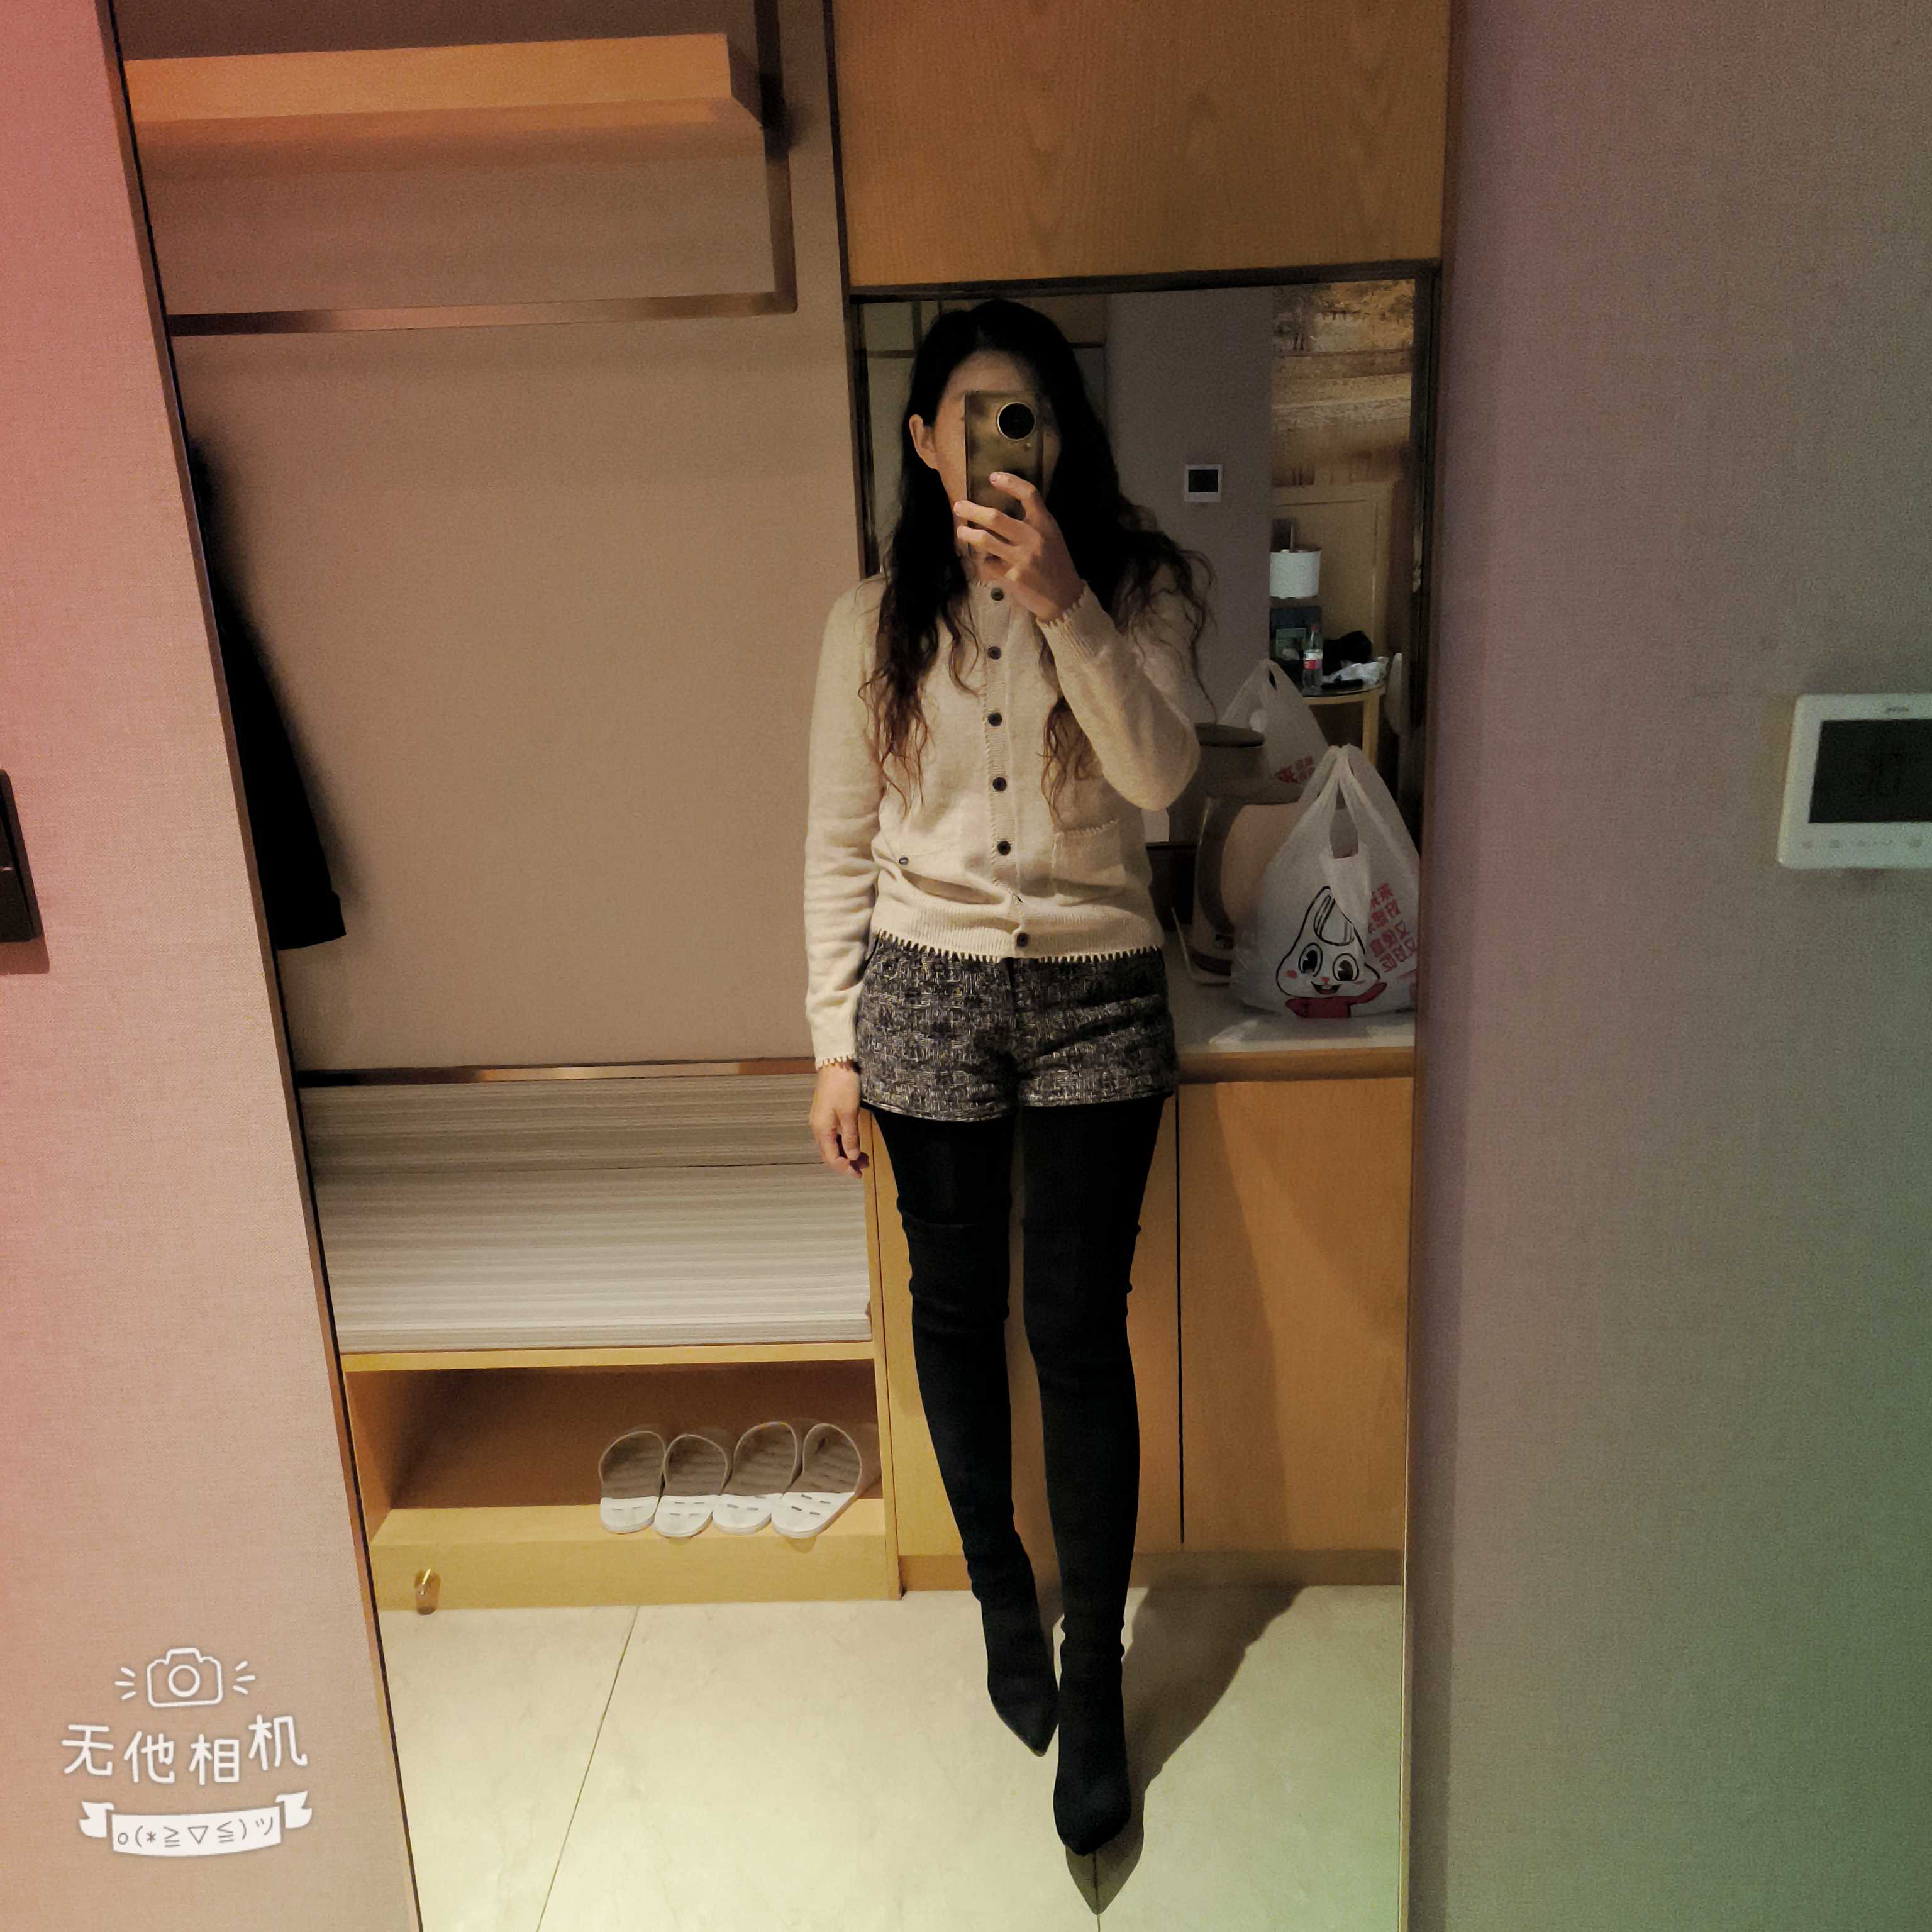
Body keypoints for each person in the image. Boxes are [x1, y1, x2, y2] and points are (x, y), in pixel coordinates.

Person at [801, 298, 1211, 1857]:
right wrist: (832, 1044)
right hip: (923, 987)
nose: (994, 447)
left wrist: (1066, 608)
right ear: (926, 441)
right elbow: (839, 843)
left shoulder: (1140, 588)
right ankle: (997, 1592)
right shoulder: (869, 621)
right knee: (955, 1311)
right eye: (969, 420)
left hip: (1098, 985)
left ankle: (1094, 1679)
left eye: (1021, 417)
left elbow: (1161, 779)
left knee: (1077, 1330)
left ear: (1058, 433)